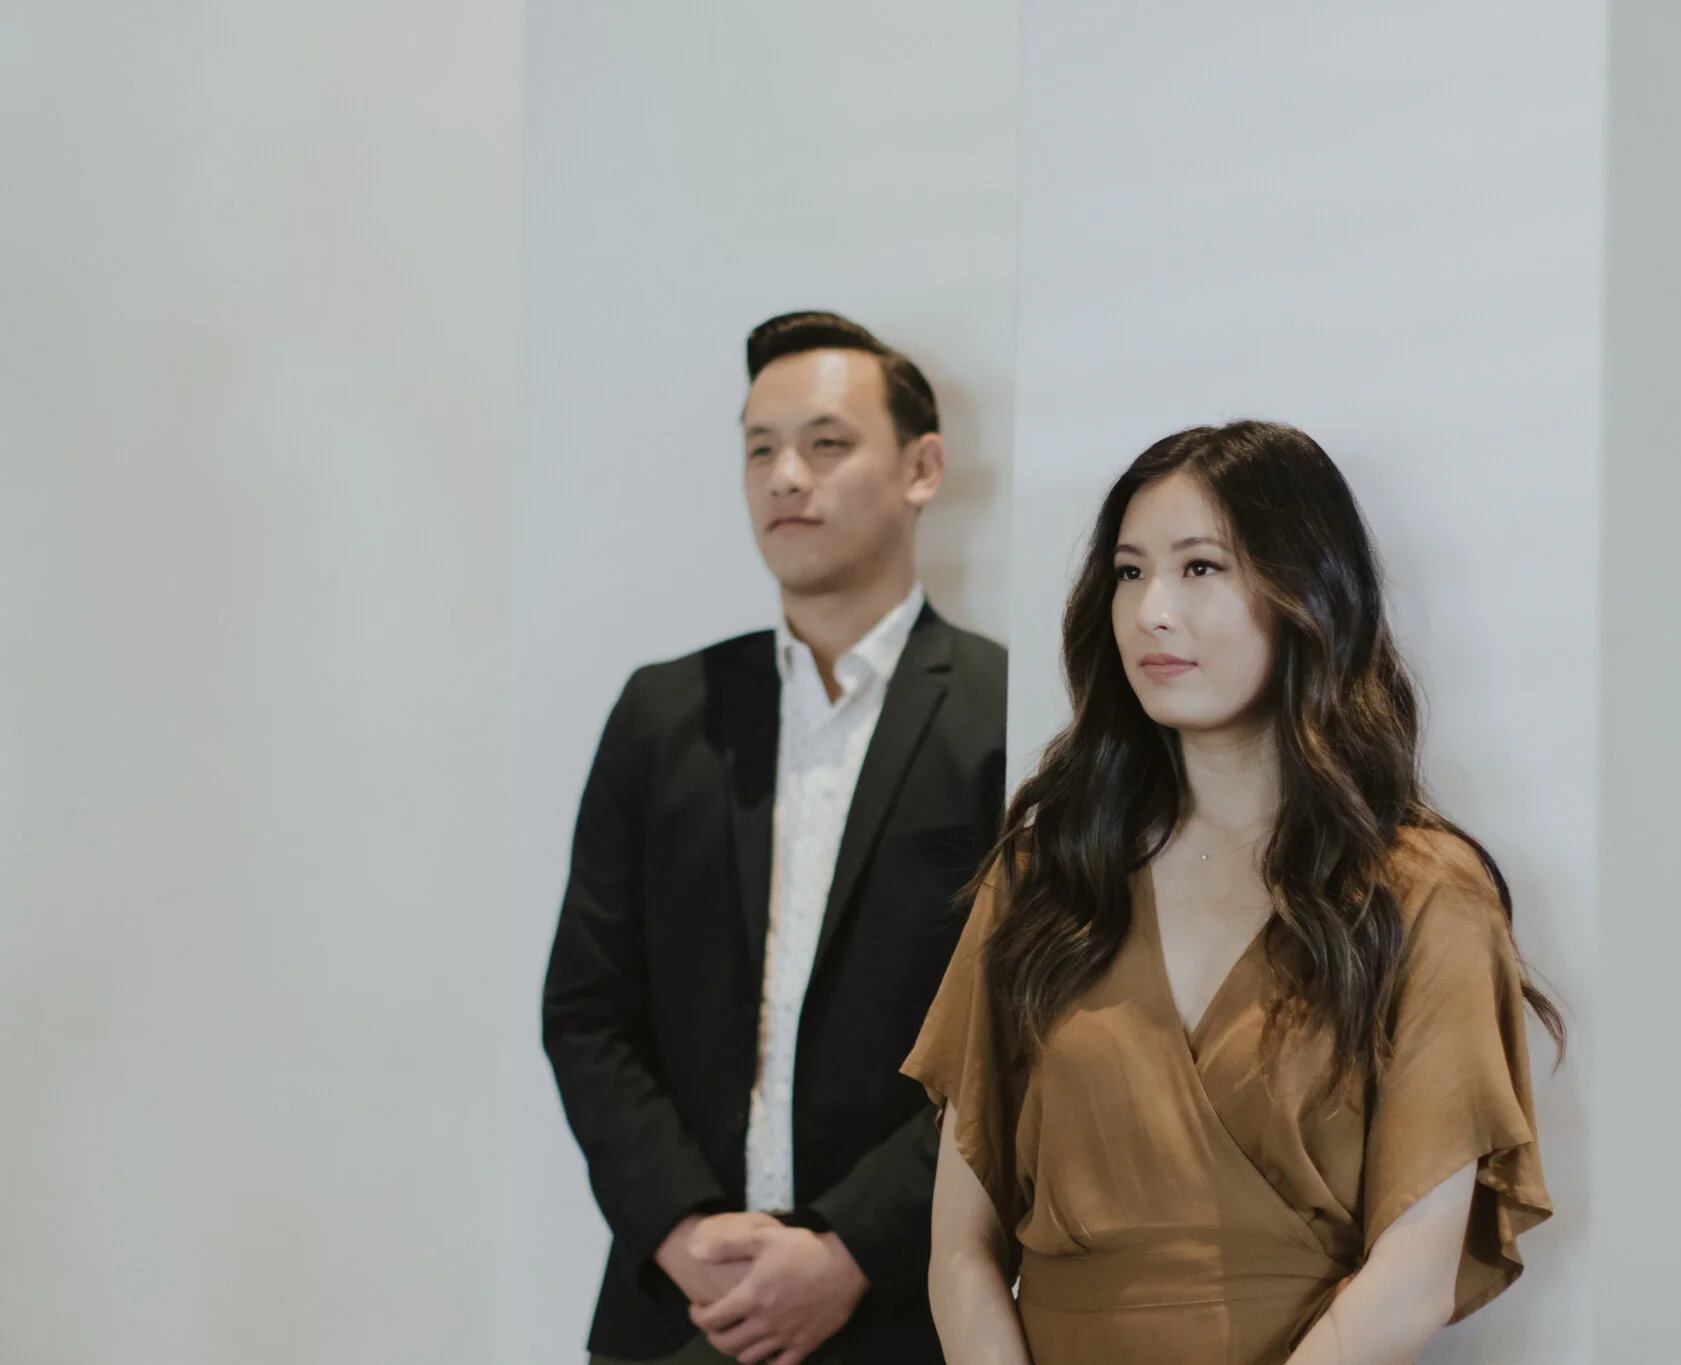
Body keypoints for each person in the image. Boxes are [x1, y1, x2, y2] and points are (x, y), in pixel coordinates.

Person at [906, 421, 1563, 1365]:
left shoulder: (1422, 892)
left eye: (1201, 567)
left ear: (1307, 593)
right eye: (1129, 571)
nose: (1152, 611)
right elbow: (959, 1249)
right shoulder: (1047, 876)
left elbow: (1414, 1276)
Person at [545, 311, 1008, 1365]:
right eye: (760, 450)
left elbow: (1018, 1046)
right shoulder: (664, 714)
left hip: (901, 1310)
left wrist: (850, 1247)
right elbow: (585, 1008)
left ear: (922, 468)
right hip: (679, 1311)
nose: (785, 476)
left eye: (826, 443)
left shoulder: (1007, 718)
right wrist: (680, 1228)